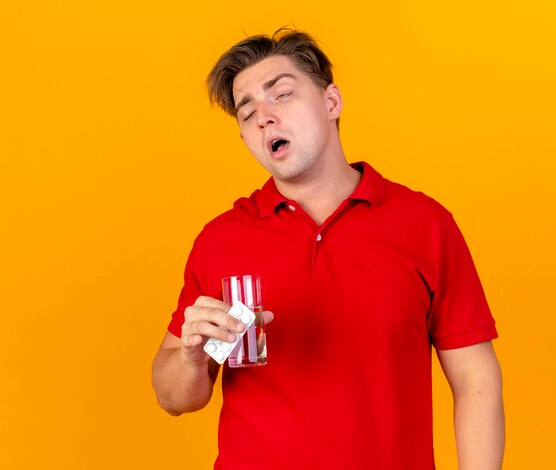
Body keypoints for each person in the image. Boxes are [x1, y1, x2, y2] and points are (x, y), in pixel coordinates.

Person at [152, 28, 504, 469]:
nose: (263, 117)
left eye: (280, 94)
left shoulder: (424, 224)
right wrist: (190, 356)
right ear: (245, 139)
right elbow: (174, 398)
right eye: (247, 114)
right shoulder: (221, 239)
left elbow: (475, 378)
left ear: (331, 102)